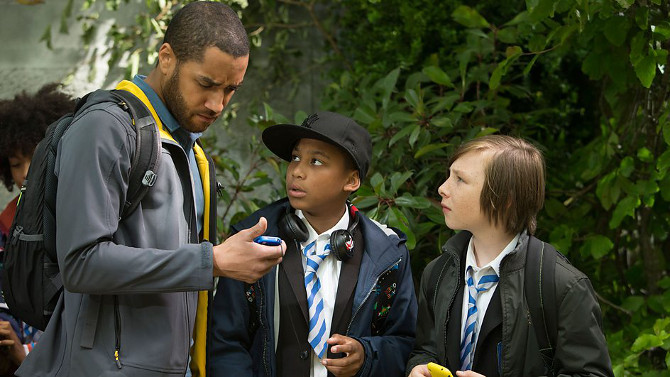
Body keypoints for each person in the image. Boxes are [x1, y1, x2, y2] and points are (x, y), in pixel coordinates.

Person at [16, 2, 286, 377]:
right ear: (166, 57)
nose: (217, 104)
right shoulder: (106, 127)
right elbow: (81, 263)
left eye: (230, 90)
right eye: (206, 84)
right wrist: (214, 262)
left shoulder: (185, 145)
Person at [209, 112, 418, 377]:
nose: (297, 170)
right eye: (295, 157)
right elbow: (226, 342)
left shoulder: (389, 254)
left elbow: (405, 343)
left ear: (351, 181)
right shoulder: (251, 240)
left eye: (316, 161)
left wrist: (366, 356)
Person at [406, 135, 613, 377]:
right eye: (449, 175)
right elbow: (426, 348)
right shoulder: (439, 272)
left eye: (460, 179)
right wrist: (418, 367)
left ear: (504, 199)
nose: (443, 188)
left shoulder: (562, 286)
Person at [0, 83, 76, 376]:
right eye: (16, 163)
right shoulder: (5, 225)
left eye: (36, 156)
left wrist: (28, 353)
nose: (26, 172)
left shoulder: (76, 220)